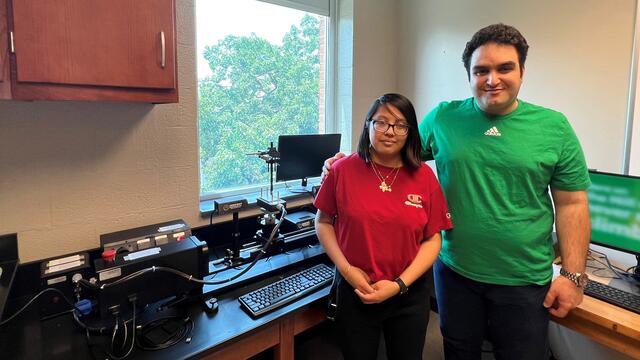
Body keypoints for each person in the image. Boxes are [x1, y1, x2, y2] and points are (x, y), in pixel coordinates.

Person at [324, 24, 591, 360]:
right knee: (459, 352)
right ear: (469, 75)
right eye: (481, 70)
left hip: (524, 281)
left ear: (522, 71)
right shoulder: (444, 118)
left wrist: (572, 276)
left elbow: (573, 204)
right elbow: (392, 151)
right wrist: (346, 160)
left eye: (504, 68)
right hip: (455, 275)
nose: (492, 79)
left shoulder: (554, 127)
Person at [314, 93, 453, 360]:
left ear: (410, 132)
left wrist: (400, 284)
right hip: (355, 289)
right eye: (381, 122)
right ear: (368, 126)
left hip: (408, 295)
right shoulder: (341, 170)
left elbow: (433, 238)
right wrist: (347, 270)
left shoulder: (423, 176)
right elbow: (323, 222)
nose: (390, 131)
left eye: (400, 125)